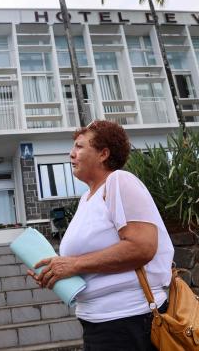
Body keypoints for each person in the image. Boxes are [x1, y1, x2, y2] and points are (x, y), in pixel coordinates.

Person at [28, 120, 174, 351]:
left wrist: (74, 264)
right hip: (98, 323)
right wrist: (54, 270)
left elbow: (142, 247)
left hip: (131, 321)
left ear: (103, 154)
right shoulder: (87, 199)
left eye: (79, 146)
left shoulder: (119, 181)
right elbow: (87, 264)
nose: (71, 153)